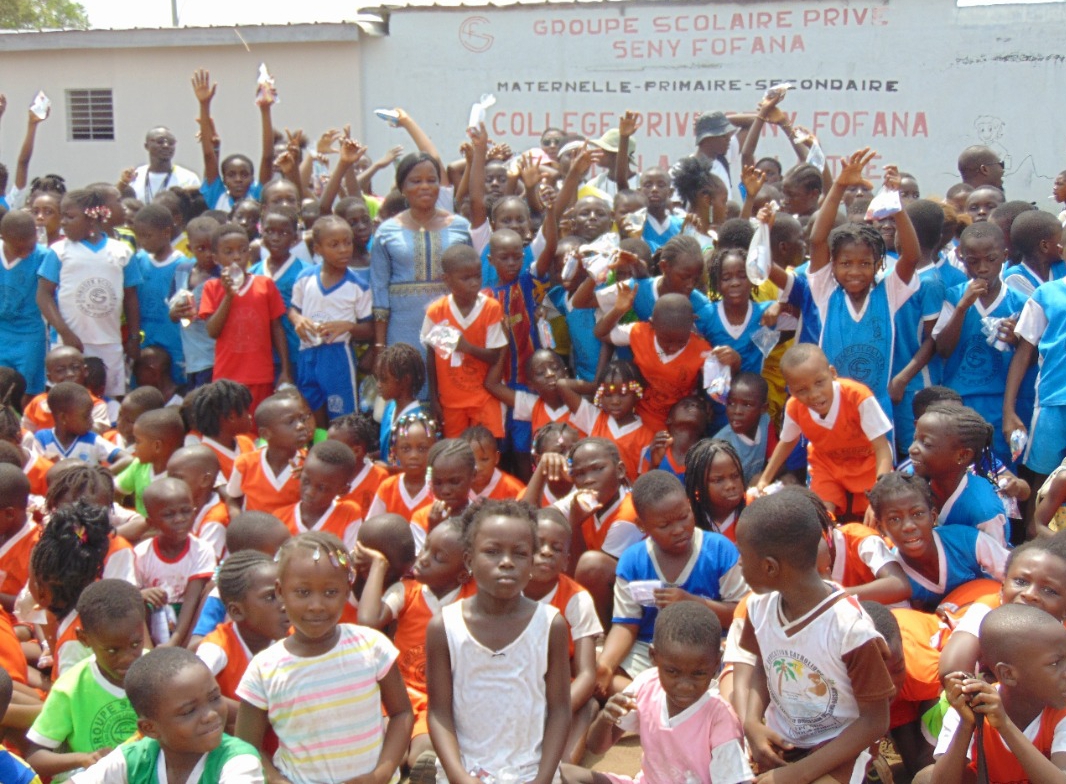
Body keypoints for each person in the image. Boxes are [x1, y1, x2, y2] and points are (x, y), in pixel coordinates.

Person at [734, 489, 895, 784]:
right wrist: (752, 722)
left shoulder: (849, 629)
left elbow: (875, 721)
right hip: (786, 740)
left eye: (743, 557)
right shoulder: (758, 607)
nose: (739, 566)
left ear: (770, 567)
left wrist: (796, 775)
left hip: (842, 746)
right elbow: (763, 666)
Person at [235, 531, 414, 784]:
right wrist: (277, 781)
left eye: (330, 592)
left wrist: (380, 775)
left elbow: (401, 713)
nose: (317, 605)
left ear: (346, 590)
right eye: (303, 592)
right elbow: (246, 747)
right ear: (280, 591)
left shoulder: (371, 647)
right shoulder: (264, 668)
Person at [426, 500, 570, 784]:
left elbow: (560, 711)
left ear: (531, 562)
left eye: (520, 553)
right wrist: (459, 776)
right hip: (465, 772)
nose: (506, 562)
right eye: (492, 552)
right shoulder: (445, 626)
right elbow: (439, 713)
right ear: (468, 560)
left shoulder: (550, 625)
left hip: (531, 772)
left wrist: (542, 779)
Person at [566, 600, 753, 784]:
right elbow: (597, 746)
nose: (685, 685)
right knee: (565, 774)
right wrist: (605, 720)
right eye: (673, 672)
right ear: (654, 657)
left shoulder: (719, 718)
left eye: (698, 673)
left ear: (716, 663)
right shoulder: (646, 685)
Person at [597, 471, 746, 696]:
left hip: (708, 650)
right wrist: (606, 665)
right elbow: (626, 624)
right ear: (642, 526)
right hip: (651, 651)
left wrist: (692, 603)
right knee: (599, 673)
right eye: (664, 525)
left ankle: (653, 701)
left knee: (736, 677)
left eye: (684, 517)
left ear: (689, 506)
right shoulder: (633, 561)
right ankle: (662, 701)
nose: (678, 529)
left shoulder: (718, 549)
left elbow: (740, 613)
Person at [357, 516, 476, 774]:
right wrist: (379, 565)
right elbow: (368, 621)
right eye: (425, 548)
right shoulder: (406, 590)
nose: (423, 559)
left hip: (442, 699)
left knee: (423, 751)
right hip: (399, 695)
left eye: (438, 558)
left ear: (464, 572)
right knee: (390, 751)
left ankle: (427, 768)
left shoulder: (473, 598)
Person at [71, 647, 264, 784]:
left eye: (214, 698)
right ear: (149, 728)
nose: (211, 715)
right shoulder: (136, 759)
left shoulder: (238, 760)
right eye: (189, 711)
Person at [754, 343, 893, 519]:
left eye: (819, 383)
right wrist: (765, 479)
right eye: (802, 390)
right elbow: (787, 442)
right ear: (791, 391)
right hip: (827, 464)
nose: (814, 394)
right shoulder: (794, 407)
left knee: (878, 516)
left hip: (867, 462)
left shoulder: (857, 396)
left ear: (832, 373)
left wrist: (879, 494)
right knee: (822, 517)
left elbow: (882, 448)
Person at [931, 604, 1066, 784]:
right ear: (1007, 674)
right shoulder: (973, 706)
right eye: (1055, 663)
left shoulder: (1061, 714)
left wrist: (1004, 725)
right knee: (924, 777)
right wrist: (966, 725)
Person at [25, 579, 143, 779]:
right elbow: (35, 757)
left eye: (135, 644)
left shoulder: (158, 671)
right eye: (112, 650)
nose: (127, 658)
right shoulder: (71, 688)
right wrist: (85, 758)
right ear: (84, 639)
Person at [370, 152, 473, 371]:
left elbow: (473, 280)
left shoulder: (461, 227)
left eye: (431, 180)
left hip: (449, 323)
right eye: (416, 181)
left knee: (448, 383)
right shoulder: (386, 232)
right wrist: (379, 346)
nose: (425, 186)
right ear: (402, 188)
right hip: (402, 326)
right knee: (407, 383)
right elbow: (379, 289)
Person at [36, 189, 142, 397]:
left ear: (92, 219)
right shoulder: (59, 251)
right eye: (62, 216)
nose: (63, 222)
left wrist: (133, 337)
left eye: (70, 216)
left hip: (109, 341)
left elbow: (131, 297)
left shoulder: (121, 251)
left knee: (112, 398)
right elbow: (43, 294)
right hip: (69, 343)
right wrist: (65, 332)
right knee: (67, 398)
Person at [868, 472, 1007, 611]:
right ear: (882, 529)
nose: (909, 526)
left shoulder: (968, 541)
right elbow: (909, 624)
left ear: (933, 517)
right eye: (894, 519)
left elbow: (1014, 576)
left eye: (917, 514)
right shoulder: (892, 577)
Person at [199, 223, 292, 413]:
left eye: (242, 250)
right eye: (229, 252)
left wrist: (285, 370)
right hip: (227, 377)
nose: (236, 257)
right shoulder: (211, 288)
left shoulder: (264, 284)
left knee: (259, 428)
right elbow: (212, 331)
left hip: (260, 375)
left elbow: (276, 328)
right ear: (216, 258)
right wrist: (229, 295)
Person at [290, 215, 373, 424]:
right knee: (310, 412)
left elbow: (370, 328)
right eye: (334, 245)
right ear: (317, 249)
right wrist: (298, 320)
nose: (344, 249)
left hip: (338, 356)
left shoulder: (358, 286)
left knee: (343, 417)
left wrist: (349, 327)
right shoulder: (304, 278)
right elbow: (292, 310)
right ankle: (318, 449)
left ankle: (344, 453)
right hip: (307, 353)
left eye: (347, 243)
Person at [195, 551, 290, 733]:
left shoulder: (295, 639)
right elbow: (188, 691)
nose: (285, 605)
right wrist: (255, 714)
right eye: (271, 597)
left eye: (285, 593)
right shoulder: (217, 647)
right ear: (236, 611)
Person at [420, 244, 506, 439]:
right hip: (451, 401)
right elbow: (431, 357)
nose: (474, 283)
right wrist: (434, 399)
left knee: (486, 449)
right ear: (447, 280)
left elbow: (495, 356)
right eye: (466, 278)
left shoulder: (491, 308)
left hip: (483, 399)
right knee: (455, 452)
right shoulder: (436, 312)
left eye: (477, 276)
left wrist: (467, 348)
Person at [910, 402, 1012, 546]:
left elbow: (997, 563)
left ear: (962, 455)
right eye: (915, 439)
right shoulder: (912, 478)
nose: (912, 449)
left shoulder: (984, 512)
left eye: (926, 444)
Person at [134, 477, 215, 647]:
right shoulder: (141, 554)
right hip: (153, 621)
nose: (179, 519)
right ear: (151, 522)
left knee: (211, 591)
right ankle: (147, 651)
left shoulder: (201, 550)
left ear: (195, 511)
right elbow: (130, 598)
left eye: (186, 511)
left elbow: (192, 602)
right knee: (136, 600)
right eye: (169, 515)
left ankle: (186, 651)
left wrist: (174, 642)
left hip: (187, 621)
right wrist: (142, 595)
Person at [226, 394, 310, 514]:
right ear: (265, 434)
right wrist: (238, 523)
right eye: (290, 421)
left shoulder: (310, 463)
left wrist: (310, 479)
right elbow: (233, 498)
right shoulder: (246, 463)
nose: (301, 426)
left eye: (302, 419)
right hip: (255, 530)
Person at [131, 203, 186, 383]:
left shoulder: (183, 265)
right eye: (139, 237)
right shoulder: (138, 260)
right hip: (144, 338)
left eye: (147, 236)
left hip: (173, 340)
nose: (143, 241)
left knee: (174, 384)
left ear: (166, 232)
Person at [0, 210, 52, 395]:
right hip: (1, 332)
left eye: (30, 247)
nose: (25, 253)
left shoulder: (43, 257)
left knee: (27, 389)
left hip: (30, 334)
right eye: (19, 249)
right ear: (3, 237)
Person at [276, 439, 363, 550]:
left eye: (322, 488)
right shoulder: (280, 518)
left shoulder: (348, 514)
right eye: (306, 481)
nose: (309, 492)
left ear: (343, 490)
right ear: (299, 474)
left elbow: (348, 561)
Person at [366, 411, 438, 520]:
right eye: (406, 449)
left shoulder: (441, 488)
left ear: (434, 450)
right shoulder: (388, 487)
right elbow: (371, 527)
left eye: (422, 449)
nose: (414, 456)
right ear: (395, 452)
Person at [31, 382, 123, 466]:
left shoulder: (92, 439)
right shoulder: (42, 439)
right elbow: (37, 469)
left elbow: (126, 459)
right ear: (63, 417)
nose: (91, 421)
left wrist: (102, 475)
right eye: (85, 416)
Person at [116, 407, 185, 517]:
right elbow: (115, 489)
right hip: (139, 527)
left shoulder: (180, 476)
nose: (134, 447)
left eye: (138, 442)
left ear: (157, 446)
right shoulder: (139, 465)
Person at [713, 373, 776, 484]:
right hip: (733, 496)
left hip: (756, 490)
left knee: (788, 479)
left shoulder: (765, 421)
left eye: (747, 405)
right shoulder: (721, 446)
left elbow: (777, 462)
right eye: (731, 403)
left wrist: (762, 478)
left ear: (763, 408)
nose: (737, 411)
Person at [683, 439, 749, 542]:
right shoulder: (686, 515)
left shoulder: (754, 506)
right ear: (698, 486)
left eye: (735, 476)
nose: (730, 485)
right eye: (718, 480)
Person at [127, 126, 202, 203]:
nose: (166, 146)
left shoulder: (188, 178)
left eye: (171, 142)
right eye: (160, 141)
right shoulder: (135, 176)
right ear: (146, 146)